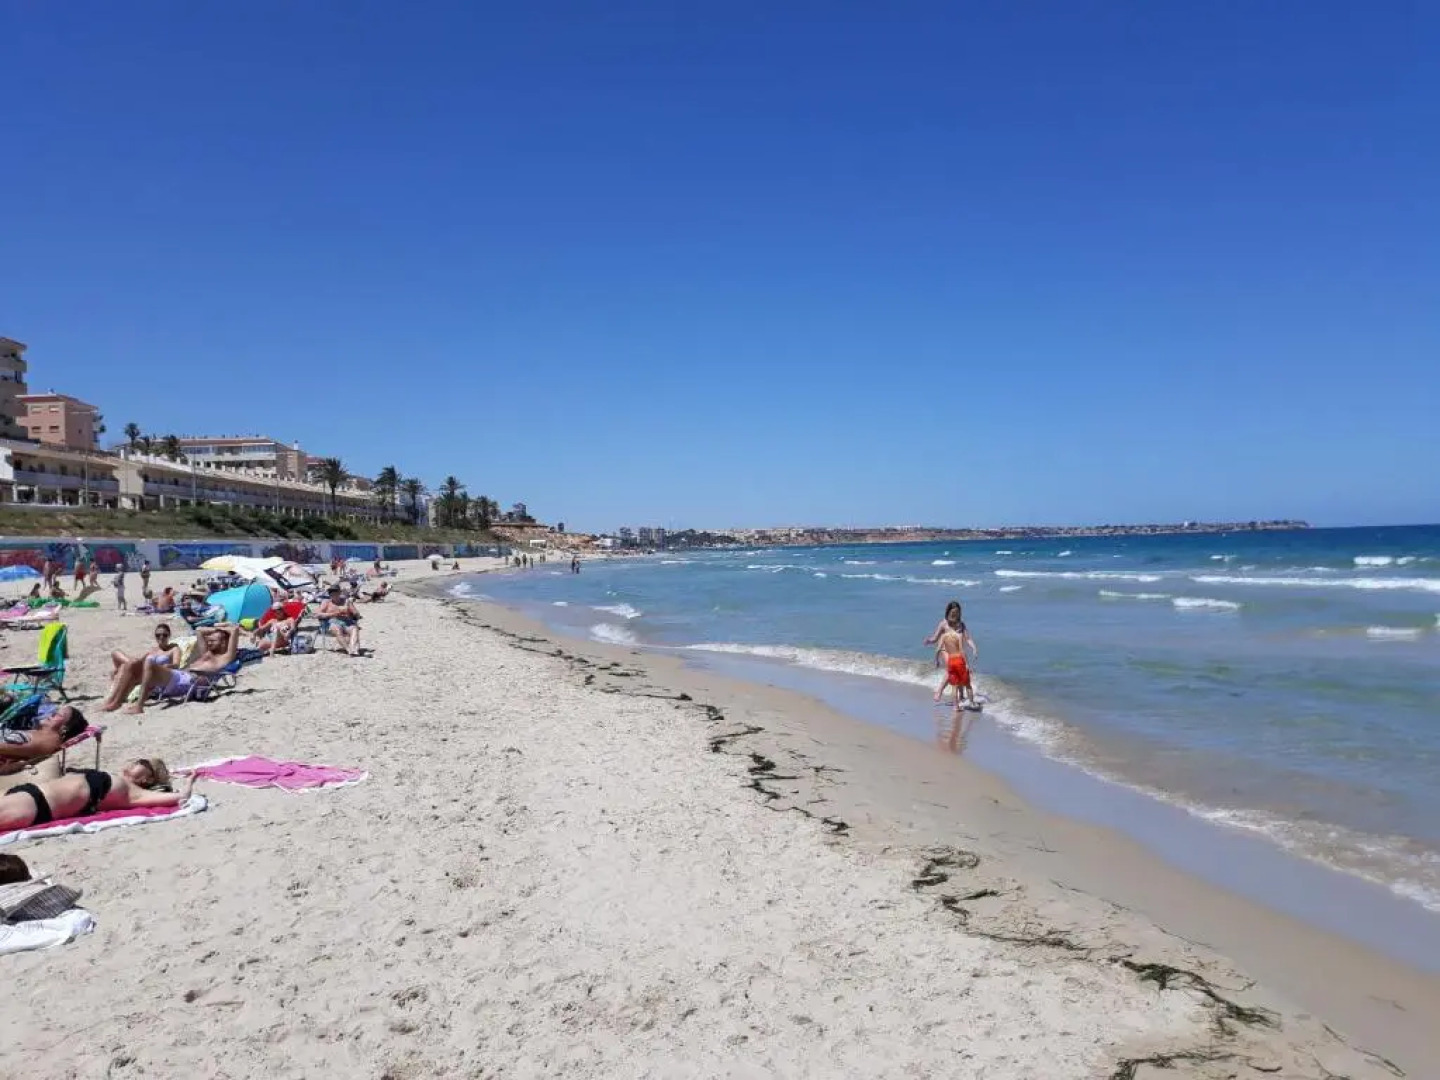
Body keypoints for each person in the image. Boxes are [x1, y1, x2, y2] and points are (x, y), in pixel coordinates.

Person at [0, 759, 192, 831]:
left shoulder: (135, 794)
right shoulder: (116, 778)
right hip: (26, 792)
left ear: (148, 780)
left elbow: (180, 797)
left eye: (144, 764)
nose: (135, 763)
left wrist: (190, 780)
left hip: (40, 805)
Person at [124, 624, 242, 714]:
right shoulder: (207, 653)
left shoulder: (225, 657)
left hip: (189, 682)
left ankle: (139, 706)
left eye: (213, 641)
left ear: (223, 643)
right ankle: (118, 699)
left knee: (150, 664)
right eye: (209, 640)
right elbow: (199, 630)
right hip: (180, 677)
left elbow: (235, 630)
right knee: (134, 668)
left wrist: (222, 629)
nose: (209, 643)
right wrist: (217, 629)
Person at [99, 623, 181, 711]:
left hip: (155, 675)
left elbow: (176, 665)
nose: (161, 637)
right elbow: (140, 661)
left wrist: (167, 666)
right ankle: (112, 699)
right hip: (143, 671)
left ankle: (115, 702)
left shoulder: (173, 649)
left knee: (128, 666)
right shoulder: (153, 650)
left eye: (164, 635)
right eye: (158, 635)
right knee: (116, 653)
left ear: (169, 636)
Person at [924, 601, 978, 708]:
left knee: (962, 671)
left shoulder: (961, 624)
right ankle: (939, 691)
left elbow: (968, 639)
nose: (955, 614)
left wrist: (974, 648)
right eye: (953, 612)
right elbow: (935, 638)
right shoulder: (943, 623)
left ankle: (961, 696)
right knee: (951, 668)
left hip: (958, 651)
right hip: (945, 650)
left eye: (957, 612)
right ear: (948, 612)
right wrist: (929, 641)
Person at [0, 707, 88, 769]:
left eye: (58, 714)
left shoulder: (48, 741)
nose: (52, 713)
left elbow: (4, 748)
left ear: (65, 727)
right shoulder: (41, 733)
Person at [317, 586, 362, 656]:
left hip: (347, 622)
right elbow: (318, 614)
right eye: (332, 594)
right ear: (330, 595)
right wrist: (333, 614)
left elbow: (356, 613)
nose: (334, 595)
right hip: (332, 621)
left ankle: (353, 648)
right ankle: (349, 649)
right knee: (337, 629)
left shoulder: (346, 601)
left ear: (339, 593)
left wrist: (355, 613)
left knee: (354, 629)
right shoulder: (326, 602)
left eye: (336, 593)